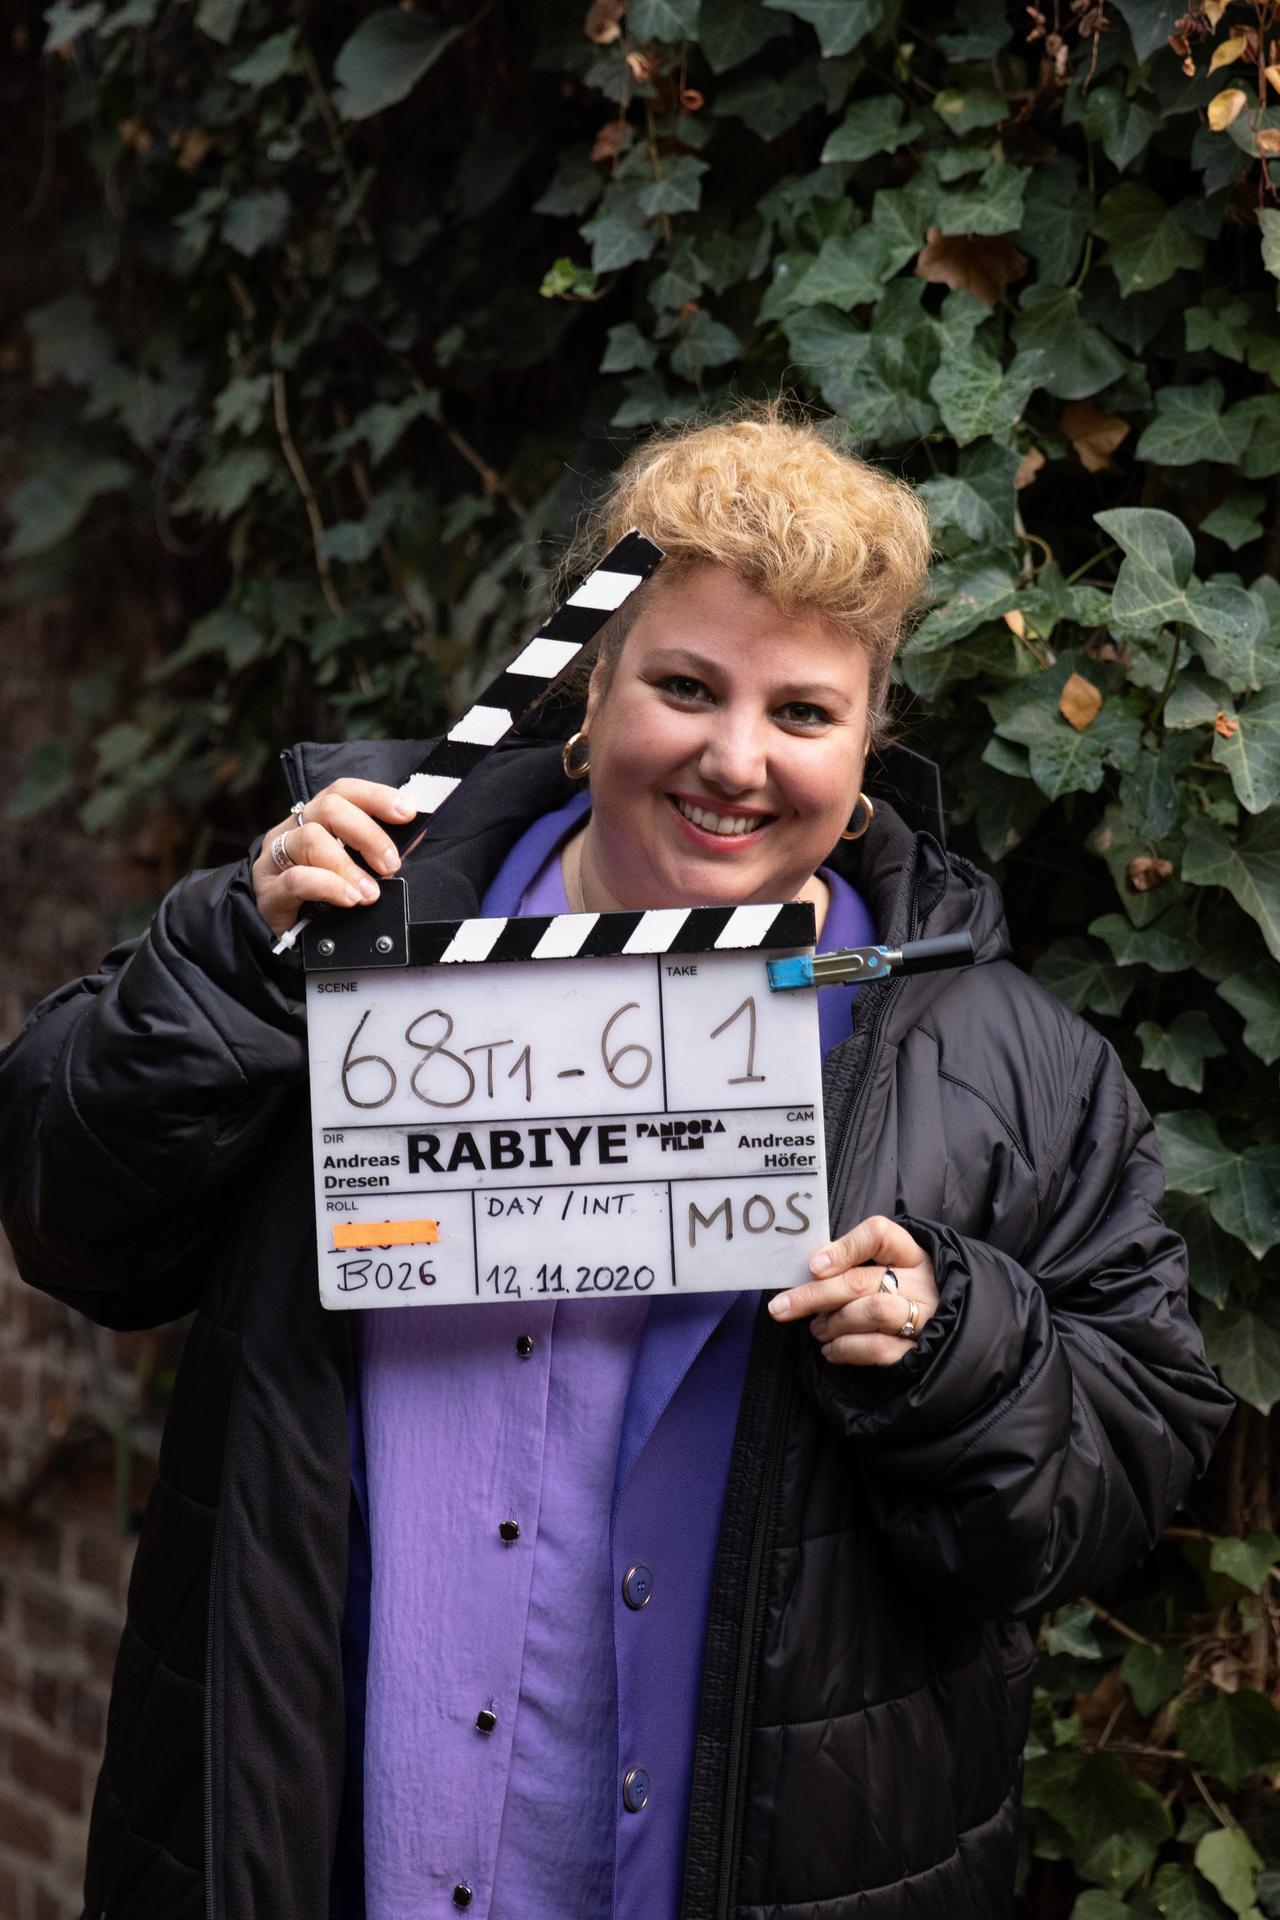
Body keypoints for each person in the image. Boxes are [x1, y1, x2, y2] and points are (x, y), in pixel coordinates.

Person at [0, 405, 1232, 1920]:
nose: (735, 759)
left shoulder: (1004, 1061)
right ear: (592, 692)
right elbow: (71, 1216)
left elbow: (1133, 1445)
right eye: (686, 686)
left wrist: (955, 1344)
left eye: (803, 711)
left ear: (869, 742)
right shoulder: (346, 931)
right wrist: (233, 964)